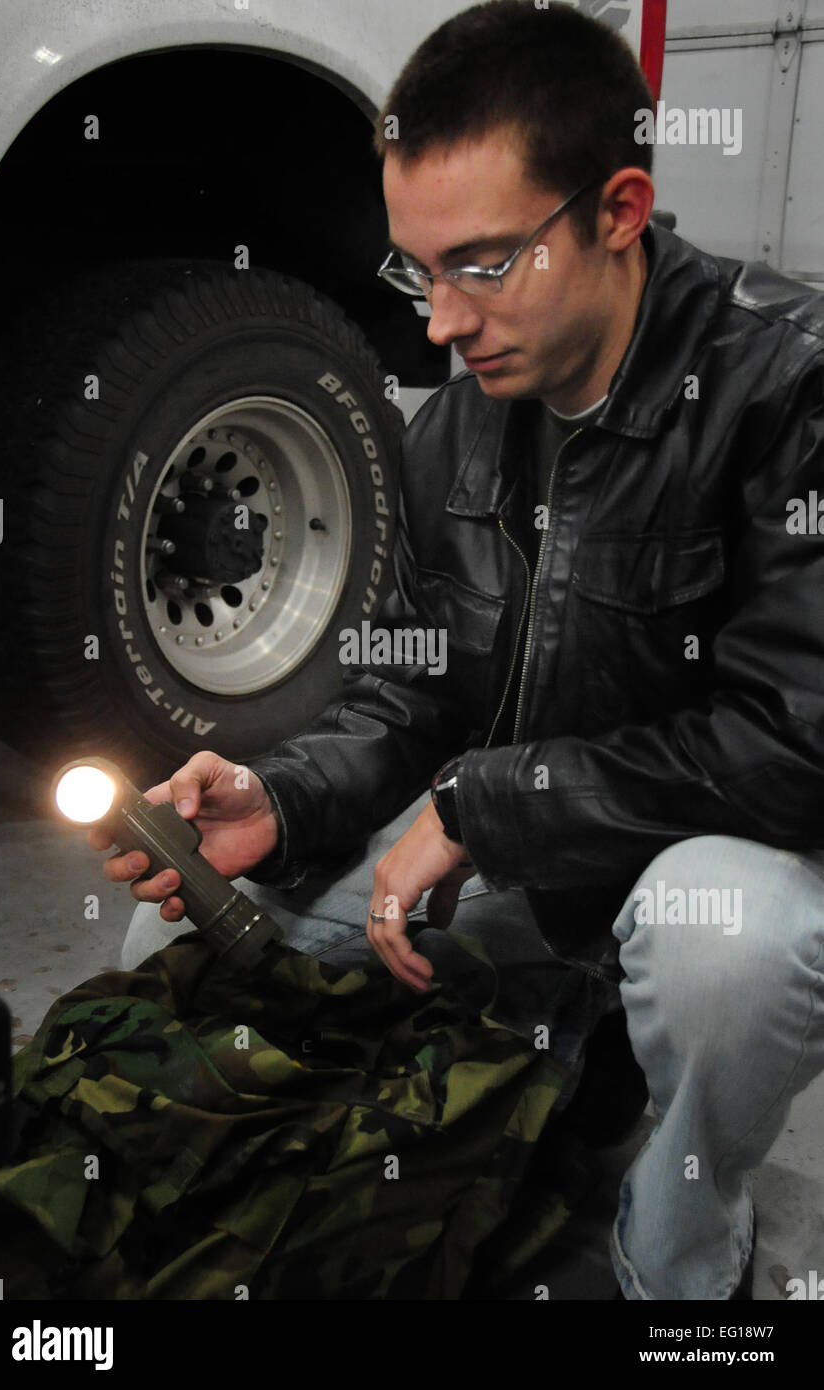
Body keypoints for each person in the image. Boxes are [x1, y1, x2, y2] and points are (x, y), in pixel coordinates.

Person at [96, 1, 824, 1300]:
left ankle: (682, 1268)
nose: (436, 321)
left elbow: (795, 745)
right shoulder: (458, 425)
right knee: (198, 948)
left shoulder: (786, 391)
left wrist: (486, 803)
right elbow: (411, 683)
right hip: (532, 858)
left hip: (704, 864)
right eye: (413, 271)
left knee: (731, 945)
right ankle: (523, 1083)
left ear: (617, 208)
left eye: (480, 264)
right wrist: (285, 795)